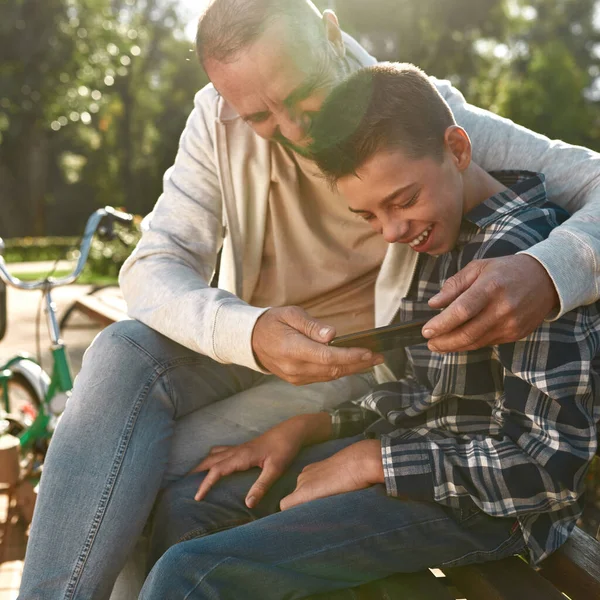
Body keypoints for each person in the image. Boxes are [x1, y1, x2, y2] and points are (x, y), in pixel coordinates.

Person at [18, 1, 600, 598]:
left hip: (359, 362)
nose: (294, 132)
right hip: (257, 348)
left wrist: (547, 272)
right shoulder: (216, 122)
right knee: (120, 351)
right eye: (260, 115)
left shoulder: (417, 114)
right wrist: (250, 333)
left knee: (154, 475)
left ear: (329, 34)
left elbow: (591, 180)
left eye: (301, 97)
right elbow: (152, 267)